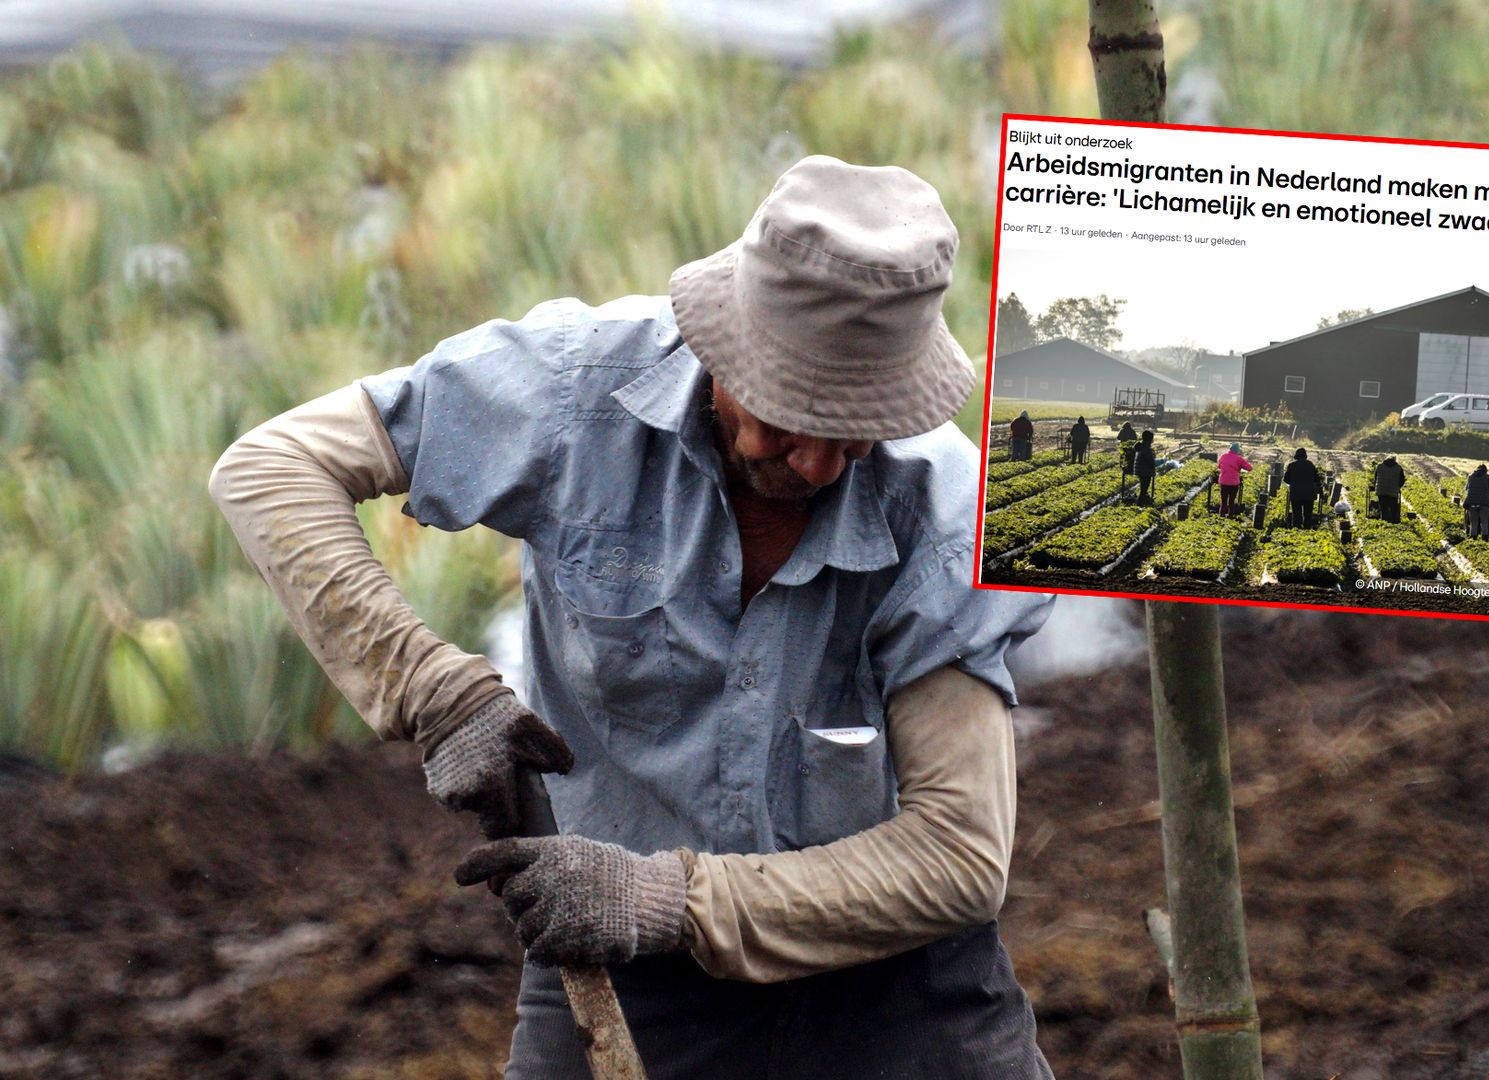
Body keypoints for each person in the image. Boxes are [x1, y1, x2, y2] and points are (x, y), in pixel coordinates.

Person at [209, 156, 1056, 1079]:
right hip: (616, 973)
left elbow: (956, 858)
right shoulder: (571, 394)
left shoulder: (944, 514)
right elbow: (271, 471)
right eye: (783, 416)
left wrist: (671, 899)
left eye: (850, 429)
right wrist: (431, 689)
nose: (814, 464)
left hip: (895, 985)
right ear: (721, 350)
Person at [1283, 447, 1320, 529]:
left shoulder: (1291, 465)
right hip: (1309, 493)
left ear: (1296, 456)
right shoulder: (1310, 465)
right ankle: (1307, 528)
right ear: (1305, 456)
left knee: (1296, 513)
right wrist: (1319, 490)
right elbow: (1316, 479)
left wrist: (1294, 483)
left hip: (1296, 493)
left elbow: (1286, 479)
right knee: (1308, 514)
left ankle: (1296, 529)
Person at [1216, 442, 1251, 517]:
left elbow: (1219, 466)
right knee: (1231, 501)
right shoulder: (1239, 459)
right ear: (1237, 450)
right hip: (1233, 483)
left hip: (1223, 482)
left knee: (1223, 501)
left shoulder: (1223, 456)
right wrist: (1239, 467)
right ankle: (1230, 515)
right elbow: (1249, 468)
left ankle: (1221, 515)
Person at [1464, 464, 1489, 540]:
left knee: (1473, 523)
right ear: (1485, 470)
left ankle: (1473, 538)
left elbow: (1467, 489)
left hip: (1472, 502)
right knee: (1484, 522)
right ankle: (1484, 539)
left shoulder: (1470, 476)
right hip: (1484, 503)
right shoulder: (1487, 477)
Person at [1373, 455, 1406, 523]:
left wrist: (1378, 485)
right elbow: (1402, 480)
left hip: (1381, 490)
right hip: (1393, 491)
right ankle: (1394, 521)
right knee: (1393, 507)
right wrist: (1397, 487)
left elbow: (1376, 478)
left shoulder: (1379, 466)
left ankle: (1384, 522)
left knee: (1383, 507)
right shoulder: (1398, 468)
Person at [1134, 428, 1157, 505]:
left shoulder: (1142, 446)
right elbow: (1150, 460)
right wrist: (1154, 465)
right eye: (1152, 439)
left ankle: (1142, 503)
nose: (1152, 440)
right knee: (1143, 490)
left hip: (1141, 470)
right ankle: (1139, 504)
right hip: (1144, 471)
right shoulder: (1146, 448)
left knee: (1144, 488)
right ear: (1149, 439)